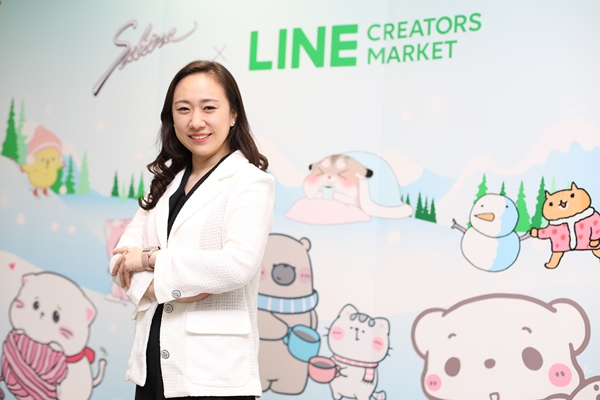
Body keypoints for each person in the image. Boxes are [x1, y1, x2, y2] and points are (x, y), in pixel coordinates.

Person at [110, 60, 275, 400]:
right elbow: (121, 261)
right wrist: (179, 283)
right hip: (152, 363)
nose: (195, 121)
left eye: (209, 108)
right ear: (171, 118)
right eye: (183, 109)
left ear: (233, 114)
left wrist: (150, 259)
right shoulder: (166, 182)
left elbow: (235, 266)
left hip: (213, 373)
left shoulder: (250, 182)